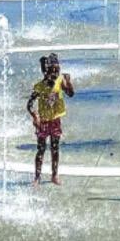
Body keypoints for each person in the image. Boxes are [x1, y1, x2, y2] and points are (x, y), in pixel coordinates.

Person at [27, 53, 75, 186]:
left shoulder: (60, 81)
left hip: (55, 120)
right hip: (42, 122)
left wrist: (68, 83)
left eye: (57, 71)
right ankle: (37, 177)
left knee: (55, 148)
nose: (54, 74)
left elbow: (71, 94)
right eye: (51, 71)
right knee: (41, 149)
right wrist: (35, 116)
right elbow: (29, 104)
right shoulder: (39, 86)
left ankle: (54, 175)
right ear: (45, 72)